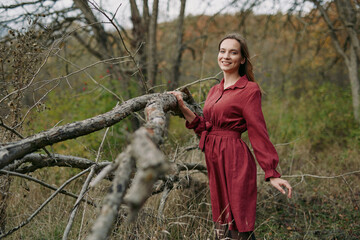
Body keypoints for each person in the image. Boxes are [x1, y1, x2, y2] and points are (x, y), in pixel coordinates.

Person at [170, 33, 292, 240]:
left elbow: (258, 132)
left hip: (235, 159)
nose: (226, 56)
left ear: (242, 59)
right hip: (215, 158)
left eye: (233, 52)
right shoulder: (214, 91)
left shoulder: (249, 90)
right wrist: (182, 107)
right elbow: (205, 127)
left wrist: (272, 172)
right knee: (222, 221)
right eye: (222, 51)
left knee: (239, 221)